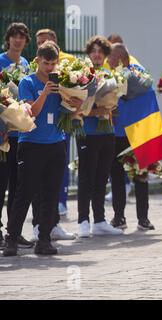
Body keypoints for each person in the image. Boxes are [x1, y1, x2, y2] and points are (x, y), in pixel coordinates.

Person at [3, 42, 83, 256]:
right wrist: (46, 93)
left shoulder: (62, 82)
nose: (49, 67)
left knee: (50, 194)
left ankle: (44, 240)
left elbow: (74, 109)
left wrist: (76, 98)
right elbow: (31, 113)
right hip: (31, 144)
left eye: (52, 63)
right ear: (37, 60)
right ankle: (11, 240)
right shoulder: (27, 82)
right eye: (45, 63)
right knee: (25, 193)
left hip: (56, 144)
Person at [76, 36, 124, 238]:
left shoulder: (110, 75)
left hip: (108, 132)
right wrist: (98, 111)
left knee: (102, 178)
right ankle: (83, 221)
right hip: (88, 133)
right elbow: (78, 108)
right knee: (86, 177)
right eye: (93, 51)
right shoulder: (80, 75)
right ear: (89, 53)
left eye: (101, 52)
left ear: (105, 55)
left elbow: (115, 105)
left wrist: (111, 109)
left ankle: (100, 220)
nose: (97, 54)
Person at [107, 43, 155, 231]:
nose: (108, 61)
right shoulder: (116, 74)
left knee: (139, 176)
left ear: (120, 58)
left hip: (135, 131)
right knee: (118, 177)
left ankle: (141, 218)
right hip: (121, 132)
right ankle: (121, 217)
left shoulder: (137, 74)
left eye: (110, 58)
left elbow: (143, 92)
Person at [35, 28, 77, 217]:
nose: (42, 45)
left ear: (55, 41)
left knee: (60, 168)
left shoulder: (69, 63)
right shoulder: (36, 65)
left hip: (61, 125)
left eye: (45, 41)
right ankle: (42, 220)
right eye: (38, 43)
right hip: (37, 131)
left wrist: (75, 101)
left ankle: (60, 204)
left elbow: (76, 95)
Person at [0, 22, 34, 249]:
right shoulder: (1, 61)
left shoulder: (25, 64)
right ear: (8, 39)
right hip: (3, 133)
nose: (18, 40)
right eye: (14, 36)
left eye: (22, 36)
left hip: (19, 134)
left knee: (17, 184)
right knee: (1, 184)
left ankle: (14, 231)